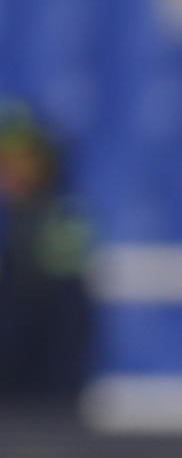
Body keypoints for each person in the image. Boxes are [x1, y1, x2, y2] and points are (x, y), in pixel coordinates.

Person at [0, 105, 94, 416]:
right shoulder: (21, 222)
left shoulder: (59, 223)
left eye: (21, 161)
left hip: (46, 404)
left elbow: (66, 325)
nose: (10, 174)